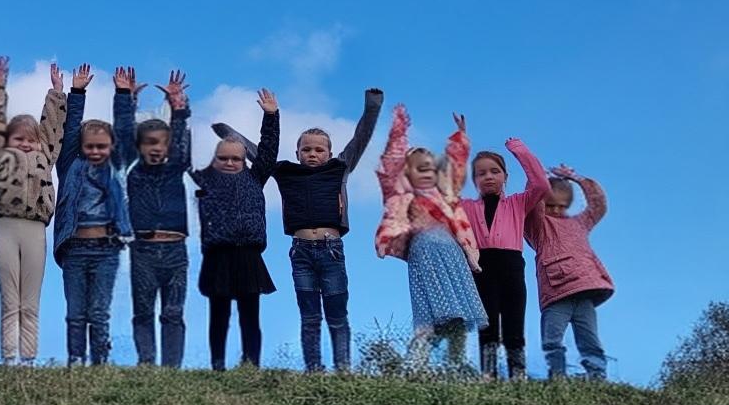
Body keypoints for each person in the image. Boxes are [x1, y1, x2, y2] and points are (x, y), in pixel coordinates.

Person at [215, 86, 383, 374]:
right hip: (301, 252)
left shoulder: (339, 168)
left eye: (319, 150)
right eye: (306, 149)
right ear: (297, 152)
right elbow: (255, 153)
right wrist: (227, 132)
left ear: (330, 153)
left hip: (331, 250)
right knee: (309, 316)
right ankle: (314, 369)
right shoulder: (285, 172)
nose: (313, 154)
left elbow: (361, 137)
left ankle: (343, 370)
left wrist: (372, 105)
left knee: (337, 314)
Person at [374, 105, 487, 374]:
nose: (426, 172)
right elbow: (390, 165)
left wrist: (461, 137)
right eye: (419, 168)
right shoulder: (403, 195)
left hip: (453, 255)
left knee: (458, 313)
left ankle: (456, 365)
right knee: (431, 313)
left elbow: (456, 168)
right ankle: (415, 365)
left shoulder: (446, 196)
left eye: (430, 168)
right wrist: (399, 132)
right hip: (426, 254)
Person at [0, 58, 68, 365]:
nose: (26, 145)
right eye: (19, 139)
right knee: (10, 300)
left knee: (30, 300)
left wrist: (57, 93)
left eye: (31, 140)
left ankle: (28, 359)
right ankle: (8, 359)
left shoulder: (45, 153)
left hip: (35, 229)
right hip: (5, 226)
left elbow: (53, 130)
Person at [193, 91, 279, 369]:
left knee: (249, 313)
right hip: (218, 255)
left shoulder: (255, 178)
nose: (230, 163)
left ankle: (251, 362)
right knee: (218, 313)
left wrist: (271, 116)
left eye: (236, 159)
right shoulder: (205, 180)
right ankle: (217, 362)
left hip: (248, 254)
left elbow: (267, 151)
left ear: (244, 161)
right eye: (224, 158)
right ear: (215, 159)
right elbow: (180, 155)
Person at [52, 64, 132, 365]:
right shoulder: (69, 165)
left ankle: (99, 363)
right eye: (90, 146)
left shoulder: (115, 167)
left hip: (105, 249)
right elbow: (70, 130)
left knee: (99, 312)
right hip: (74, 248)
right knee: (76, 313)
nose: (96, 151)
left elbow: (124, 133)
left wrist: (123, 94)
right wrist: (77, 92)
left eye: (102, 146)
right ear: (81, 147)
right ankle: (75, 360)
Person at [515, 142, 614, 379]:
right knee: (552, 337)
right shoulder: (538, 226)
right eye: (551, 205)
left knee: (589, 337)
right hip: (556, 291)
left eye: (562, 205)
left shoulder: (579, 223)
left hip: (584, 288)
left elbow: (599, 205)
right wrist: (541, 180)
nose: (556, 210)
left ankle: (597, 375)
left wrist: (578, 180)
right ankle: (556, 375)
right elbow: (533, 202)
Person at [114, 67, 192, 368]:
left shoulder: (176, 166)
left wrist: (179, 108)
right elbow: (122, 133)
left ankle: (171, 368)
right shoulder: (132, 168)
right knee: (143, 311)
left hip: (175, 250)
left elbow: (182, 141)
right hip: (143, 250)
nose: (156, 149)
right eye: (149, 143)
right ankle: (146, 362)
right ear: (140, 146)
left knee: (173, 312)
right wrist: (124, 98)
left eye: (161, 143)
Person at [466, 139, 552, 379]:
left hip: (512, 265)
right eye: (481, 173)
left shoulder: (518, 203)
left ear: (505, 176)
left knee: (514, 319)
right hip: (482, 267)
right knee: (488, 321)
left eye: (495, 171)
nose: (488, 177)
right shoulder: (467, 207)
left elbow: (541, 184)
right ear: (474, 180)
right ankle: (489, 373)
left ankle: (518, 373)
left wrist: (520, 151)